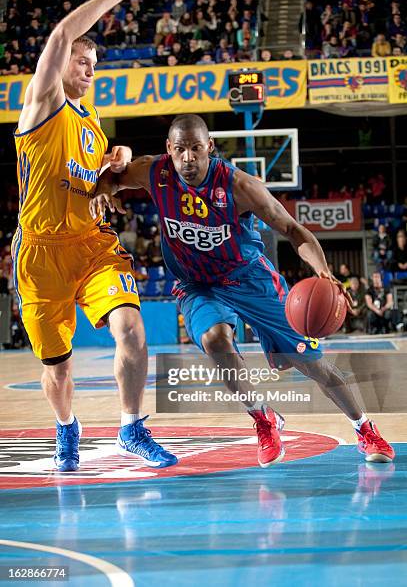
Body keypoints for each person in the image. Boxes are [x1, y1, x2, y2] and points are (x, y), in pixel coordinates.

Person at [90, 114, 395, 466]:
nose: (187, 158)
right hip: (198, 285)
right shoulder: (153, 172)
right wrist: (101, 191)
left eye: (195, 149)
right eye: (179, 150)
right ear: (168, 150)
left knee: (310, 363)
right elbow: (112, 177)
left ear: (210, 147)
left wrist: (324, 271)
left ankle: (364, 427)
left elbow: (294, 230)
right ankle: (263, 419)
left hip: (249, 278)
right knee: (214, 340)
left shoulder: (240, 186)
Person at [12, 0, 177, 472]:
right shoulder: (41, 104)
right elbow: (60, 36)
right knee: (57, 369)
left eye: (94, 65)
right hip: (40, 255)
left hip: (91, 245)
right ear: (60, 64)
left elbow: (94, 168)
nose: (88, 69)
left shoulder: (90, 121)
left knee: (131, 328)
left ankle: (131, 426)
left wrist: (118, 155)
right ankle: (67, 425)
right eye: (82, 61)